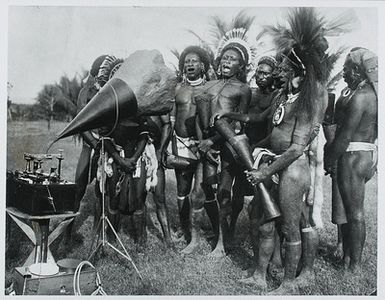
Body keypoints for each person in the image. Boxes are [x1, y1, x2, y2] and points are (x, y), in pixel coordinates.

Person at [245, 8, 333, 294]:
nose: (280, 72)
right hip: (272, 162)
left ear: (297, 72)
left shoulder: (307, 100)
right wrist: (256, 147)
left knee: (290, 227)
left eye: (285, 68)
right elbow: (274, 133)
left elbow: (296, 148)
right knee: (266, 223)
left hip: (292, 170)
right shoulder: (284, 96)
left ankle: (289, 283)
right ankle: (259, 275)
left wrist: (265, 172)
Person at [197, 25, 255, 258]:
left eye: (232, 59)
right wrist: (205, 142)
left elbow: (240, 123)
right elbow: (201, 118)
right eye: (224, 57)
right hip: (208, 144)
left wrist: (213, 140)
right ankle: (219, 232)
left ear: (241, 66)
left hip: (229, 144)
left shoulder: (243, 89)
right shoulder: (208, 85)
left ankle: (222, 244)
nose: (226, 61)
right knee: (205, 189)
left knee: (224, 191)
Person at [324, 47, 378, 274]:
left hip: (355, 155)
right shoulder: (353, 92)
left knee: (355, 213)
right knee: (348, 211)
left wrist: (329, 159)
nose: (343, 72)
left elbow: (346, 135)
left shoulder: (363, 97)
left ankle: (354, 266)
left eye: (346, 68)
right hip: (355, 154)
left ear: (357, 70)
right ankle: (347, 257)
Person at [170, 45, 217, 254]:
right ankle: (185, 229)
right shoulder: (178, 88)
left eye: (194, 61)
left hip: (201, 145)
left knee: (202, 191)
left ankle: (217, 231)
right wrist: (169, 145)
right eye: (186, 61)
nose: (190, 64)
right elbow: (171, 118)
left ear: (203, 65)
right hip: (179, 143)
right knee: (182, 191)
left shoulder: (210, 89)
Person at [145, 114, 174, 248]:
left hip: (155, 152)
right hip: (135, 152)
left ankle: (168, 238)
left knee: (159, 197)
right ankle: (140, 237)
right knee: (137, 198)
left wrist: (160, 150)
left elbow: (168, 125)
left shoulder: (157, 102)